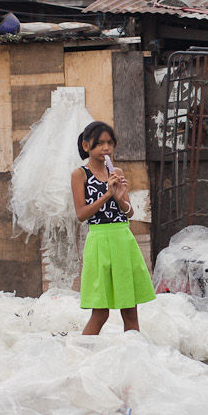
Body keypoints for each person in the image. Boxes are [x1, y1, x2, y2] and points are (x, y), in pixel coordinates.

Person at [72, 120, 155, 334]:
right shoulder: (80, 174)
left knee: (130, 309)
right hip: (100, 241)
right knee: (101, 313)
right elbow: (81, 214)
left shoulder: (115, 171)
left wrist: (118, 198)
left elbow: (129, 212)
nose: (106, 148)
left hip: (122, 239)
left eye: (110, 143)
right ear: (86, 146)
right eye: (99, 143)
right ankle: (83, 356)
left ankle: (134, 357)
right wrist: (106, 195)